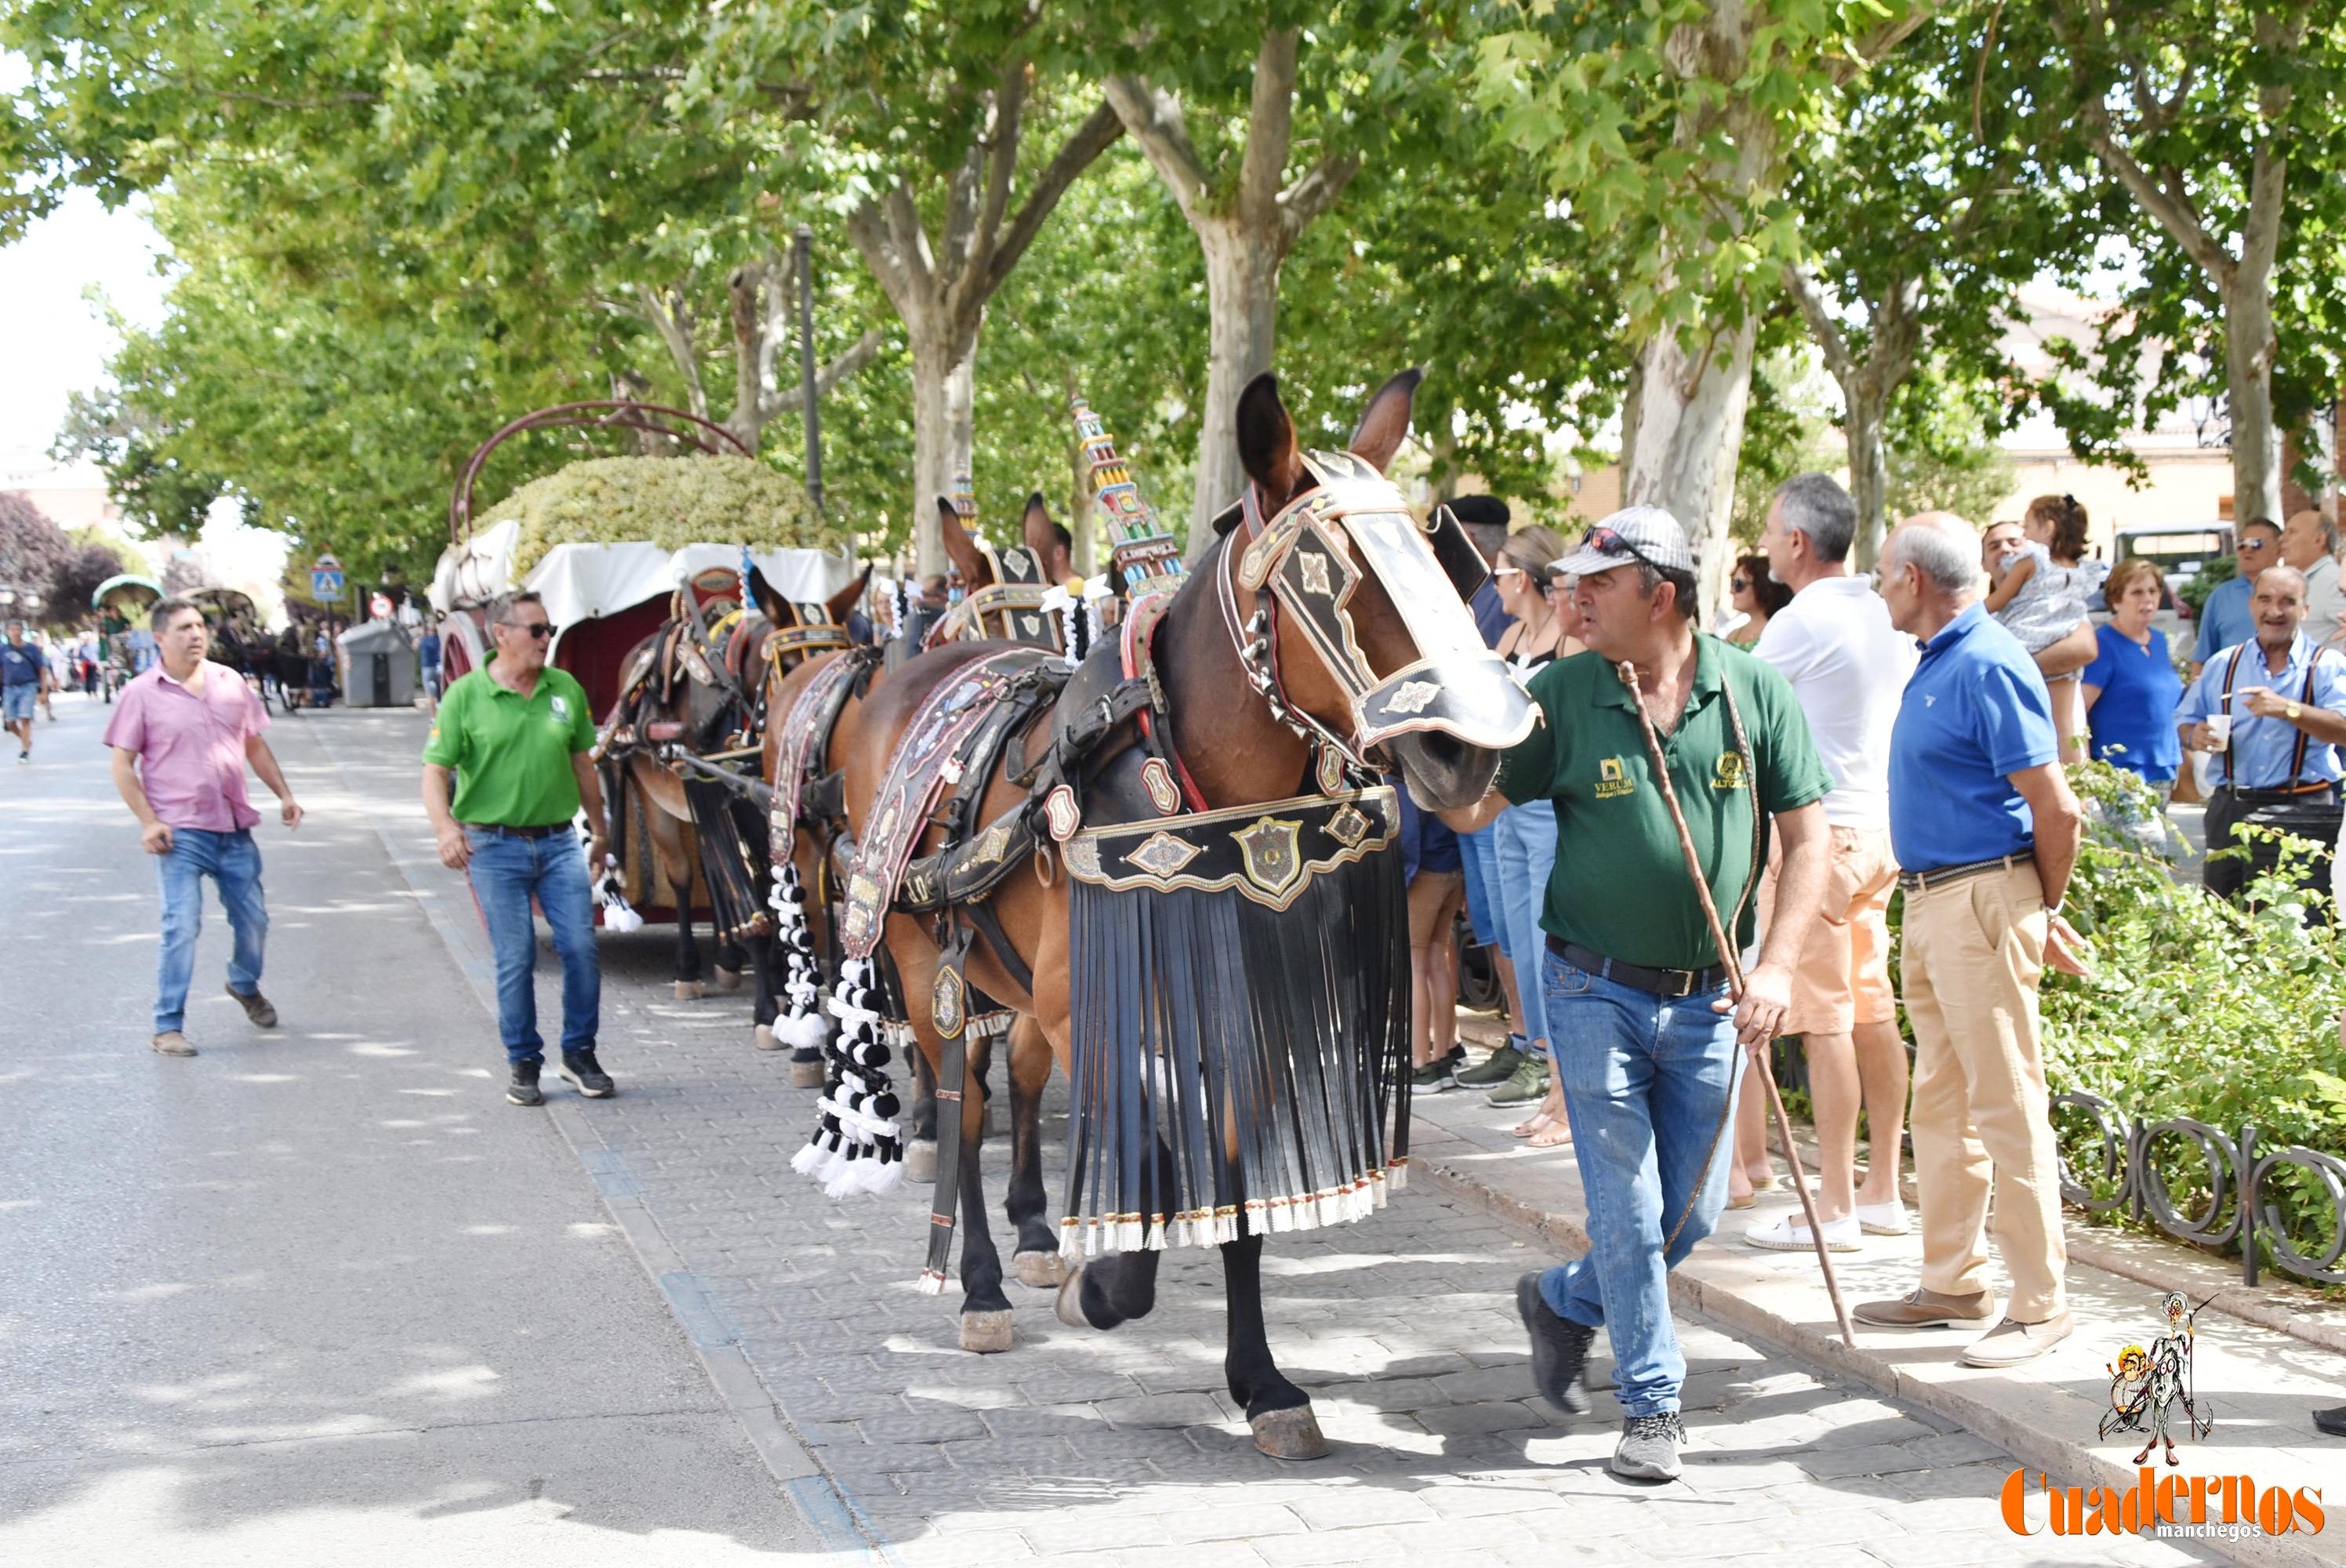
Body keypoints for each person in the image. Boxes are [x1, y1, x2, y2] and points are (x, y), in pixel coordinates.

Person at [1445, 506, 1833, 1483]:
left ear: (1659, 594)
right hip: (1591, 988)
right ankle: (1653, 1404)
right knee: (1623, 1203)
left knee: (1687, 1218)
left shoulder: (1754, 693)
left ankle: (1564, 1298)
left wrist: (1778, 964)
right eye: (1569, 582)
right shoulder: (1565, 692)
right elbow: (1475, 804)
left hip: (1714, 1000)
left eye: (1597, 584)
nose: (1573, 598)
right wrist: (1422, 750)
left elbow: (1810, 840)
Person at [1857, 511, 2086, 1368]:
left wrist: (2031, 907)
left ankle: (2040, 1302)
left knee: (2005, 1101)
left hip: (1976, 899)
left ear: (1914, 578)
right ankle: (1952, 1281)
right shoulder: (1944, 662)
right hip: (1933, 903)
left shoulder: (1987, 661)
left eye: (1885, 572)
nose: (1880, 586)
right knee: (1944, 1102)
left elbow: (2056, 807)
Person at [1738, 474, 1917, 1251]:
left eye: (1774, 531)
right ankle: (1880, 1191)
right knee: (1872, 1009)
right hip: (1879, 829)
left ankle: (1837, 1206)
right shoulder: (1884, 610)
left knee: (1823, 1019)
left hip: (1821, 838)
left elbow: (1736, 725)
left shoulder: (1800, 621)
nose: (1769, 542)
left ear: (1799, 543)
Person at [422, 590, 616, 1107]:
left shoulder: (564, 689)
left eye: (549, 629)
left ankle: (578, 1054)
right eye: (537, 630)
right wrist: (445, 829)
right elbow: (435, 771)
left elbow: (583, 765)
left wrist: (600, 830)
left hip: (558, 843)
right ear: (500, 634)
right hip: (492, 846)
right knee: (516, 957)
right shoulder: (466, 695)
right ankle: (524, 1062)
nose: (547, 639)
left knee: (581, 949)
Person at [104, 597, 304, 1056]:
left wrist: (285, 796)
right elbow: (122, 766)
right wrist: (148, 822)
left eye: (199, 626)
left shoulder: (229, 682)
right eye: (183, 628)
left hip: (234, 826)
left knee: (254, 920)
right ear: (159, 638)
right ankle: (167, 1026)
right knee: (181, 924)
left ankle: (242, 982)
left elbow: (253, 746)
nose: (196, 634)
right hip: (179, 831)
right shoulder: (141, 693)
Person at [2176, 566, 2346, 903]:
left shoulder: (2327, 665)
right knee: (2224, 915)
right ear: (2252, 605)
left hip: (2305, 806)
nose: (2275, 611)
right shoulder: (2224, 664)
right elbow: (2183, 721)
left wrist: (2288, 709)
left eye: (2287, 601)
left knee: (2300, 919)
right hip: (2232, 807)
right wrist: (2193, 735)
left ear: (2305, 610)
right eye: (2266, 599)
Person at [1485, 525, 1574, 1142]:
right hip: (1504, 799)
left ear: (1523, 577)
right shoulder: (1511, 634)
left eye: (1499, 573)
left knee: (1549, 944)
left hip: (1545, 803)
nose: (1494, 585)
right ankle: (1540, 1056)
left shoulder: (1567, 641)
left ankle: (1558, 1077)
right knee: (1517, 934)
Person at [1445, 496, 1532, 1097]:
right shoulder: (1470, 598)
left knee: (1521, 926)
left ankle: (1536, 1047)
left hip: (1509, 794)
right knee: (1493, 921)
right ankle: (1521, 1036)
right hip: (1478, 792)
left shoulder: (1497, 606)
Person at [1986, 496, 2094, 764]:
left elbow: (2087, 647)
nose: (2008, 550)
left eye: (2020, 535)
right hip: (2057, 652)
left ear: (2047, 529)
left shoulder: (2033, 563)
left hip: (2023, 643)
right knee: (2064, 726)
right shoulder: (2076, 572)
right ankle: (2074, 781)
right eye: (1994, 545)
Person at [2081, 557, 2184, 793]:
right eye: (2137, 592)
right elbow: (2079, 709)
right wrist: (2083, 768)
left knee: (2158, 831)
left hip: (2163, 765)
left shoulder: (2158, 641)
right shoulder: (2103, 644)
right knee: (2146, 833)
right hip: (2120, 770)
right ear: (2117, 600)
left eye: (2153, 591)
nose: (2147, 599)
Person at [1398, 790, 1467, 1090]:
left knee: (1414, 962)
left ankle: (1419, 1062)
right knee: (1437, 958)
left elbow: (1408, 829)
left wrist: (1403, 876)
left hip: (1423, 870)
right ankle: (1442, 1054)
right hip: (1451, 865)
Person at [2192, 518, 2280, 678]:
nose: (2247, 550)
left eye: (2256, 544)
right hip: (2230, 694)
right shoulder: (2220, 596)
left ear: (2279, 549)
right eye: (2241, 544)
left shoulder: (2291, 593)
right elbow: (2202, 660)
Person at [2281, 510, 2345, 650]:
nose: (2282, 539)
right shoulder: (2305, 580)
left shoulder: (2334, 582)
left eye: (2292, 532)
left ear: (2320, 539)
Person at [2, 619, 52, 761]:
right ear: (8, 632)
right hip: (9, 688)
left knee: (25, 718)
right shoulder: (3, 650)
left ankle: (24, 751)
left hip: (28, 686)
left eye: (18, 630)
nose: (15, 633)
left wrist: (43, 691)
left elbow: (42, 669)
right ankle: (26, 740)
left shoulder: (31, 649)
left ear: (22, 631)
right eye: (12, 630)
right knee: (10, 723)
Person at [1725, 553, 1792, 647]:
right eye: (1733, 582)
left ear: (1762, 587)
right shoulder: (1733, 635)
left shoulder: (1780, 633)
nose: (1732, 591)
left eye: (1738, 584)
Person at [417, 618, 444, 715]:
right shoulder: (439, 640)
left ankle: (433, 718)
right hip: (439, 668)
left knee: (430, 696)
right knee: (441, 693)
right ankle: (442, 714)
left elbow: (414, 646)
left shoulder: (424, 641)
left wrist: (421, 635)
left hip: (427, 669)